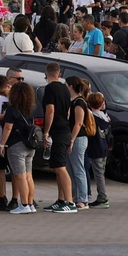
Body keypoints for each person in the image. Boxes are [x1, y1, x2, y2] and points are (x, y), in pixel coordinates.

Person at [41, 62, 76, 212]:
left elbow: (50, 111)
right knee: (57, 166)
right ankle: (61, 200)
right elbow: (68, 111)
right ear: (59, 73)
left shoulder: (50, 89)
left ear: (46, 73)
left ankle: (70, 202)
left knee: (60, 168)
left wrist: (46, 132)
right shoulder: (64, 88)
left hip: (57, 131)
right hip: (65, 129)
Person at [0, 78, 37, 213]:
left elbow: (8, 128)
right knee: (28, 175)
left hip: (16, 145)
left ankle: (24, 204)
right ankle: (30, 204)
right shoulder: (30, 109)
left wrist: (2, 144)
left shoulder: (12, 109)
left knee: (20, 175)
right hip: (29, 145)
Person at [68, 77, 92, 210]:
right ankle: (75, 197)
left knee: (78, 168)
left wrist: (72, 140)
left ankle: (83, 199)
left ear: (71, 86)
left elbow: (78, 123)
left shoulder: (79, 102)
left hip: (79, 138)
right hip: (74, 138)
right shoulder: (72, 101)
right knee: (71, 169)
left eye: (66, 84)